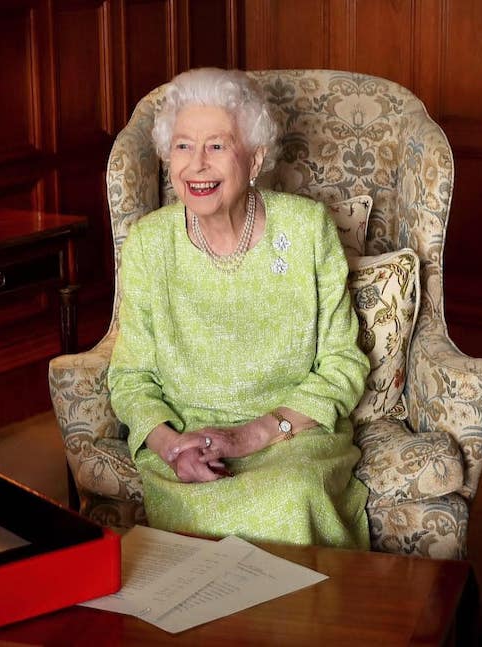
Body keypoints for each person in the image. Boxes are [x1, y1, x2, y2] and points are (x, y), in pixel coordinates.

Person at [107, 68, 371, 549]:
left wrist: (251, 436)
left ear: (254, 159)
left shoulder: (308, 229)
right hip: (188, 447)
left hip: (292, 437)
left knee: (291, 499)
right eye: (183, 146)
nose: (197, 165)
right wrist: (171, 449)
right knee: (194, 526)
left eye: (217, 146)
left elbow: (342, 363)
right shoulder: (148, 243)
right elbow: (130, 378)